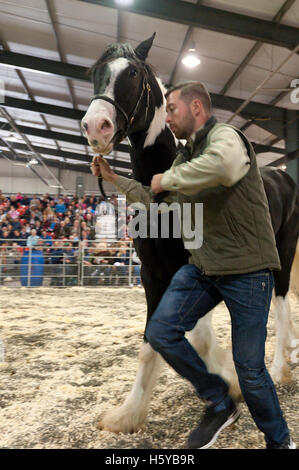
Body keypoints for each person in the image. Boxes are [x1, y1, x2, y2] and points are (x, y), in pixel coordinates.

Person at [90, 81, 295, 450]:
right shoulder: (184, 159)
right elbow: (158, 203)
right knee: (160, 331)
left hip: (248, 271)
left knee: (250, 370)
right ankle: (219, 400)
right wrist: (115, 179)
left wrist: (167, 179)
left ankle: (280, 443)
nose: (166, 117)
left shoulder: (227, 138)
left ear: (197, 107)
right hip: (204, 269)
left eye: (172, 109)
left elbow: (224, 168)